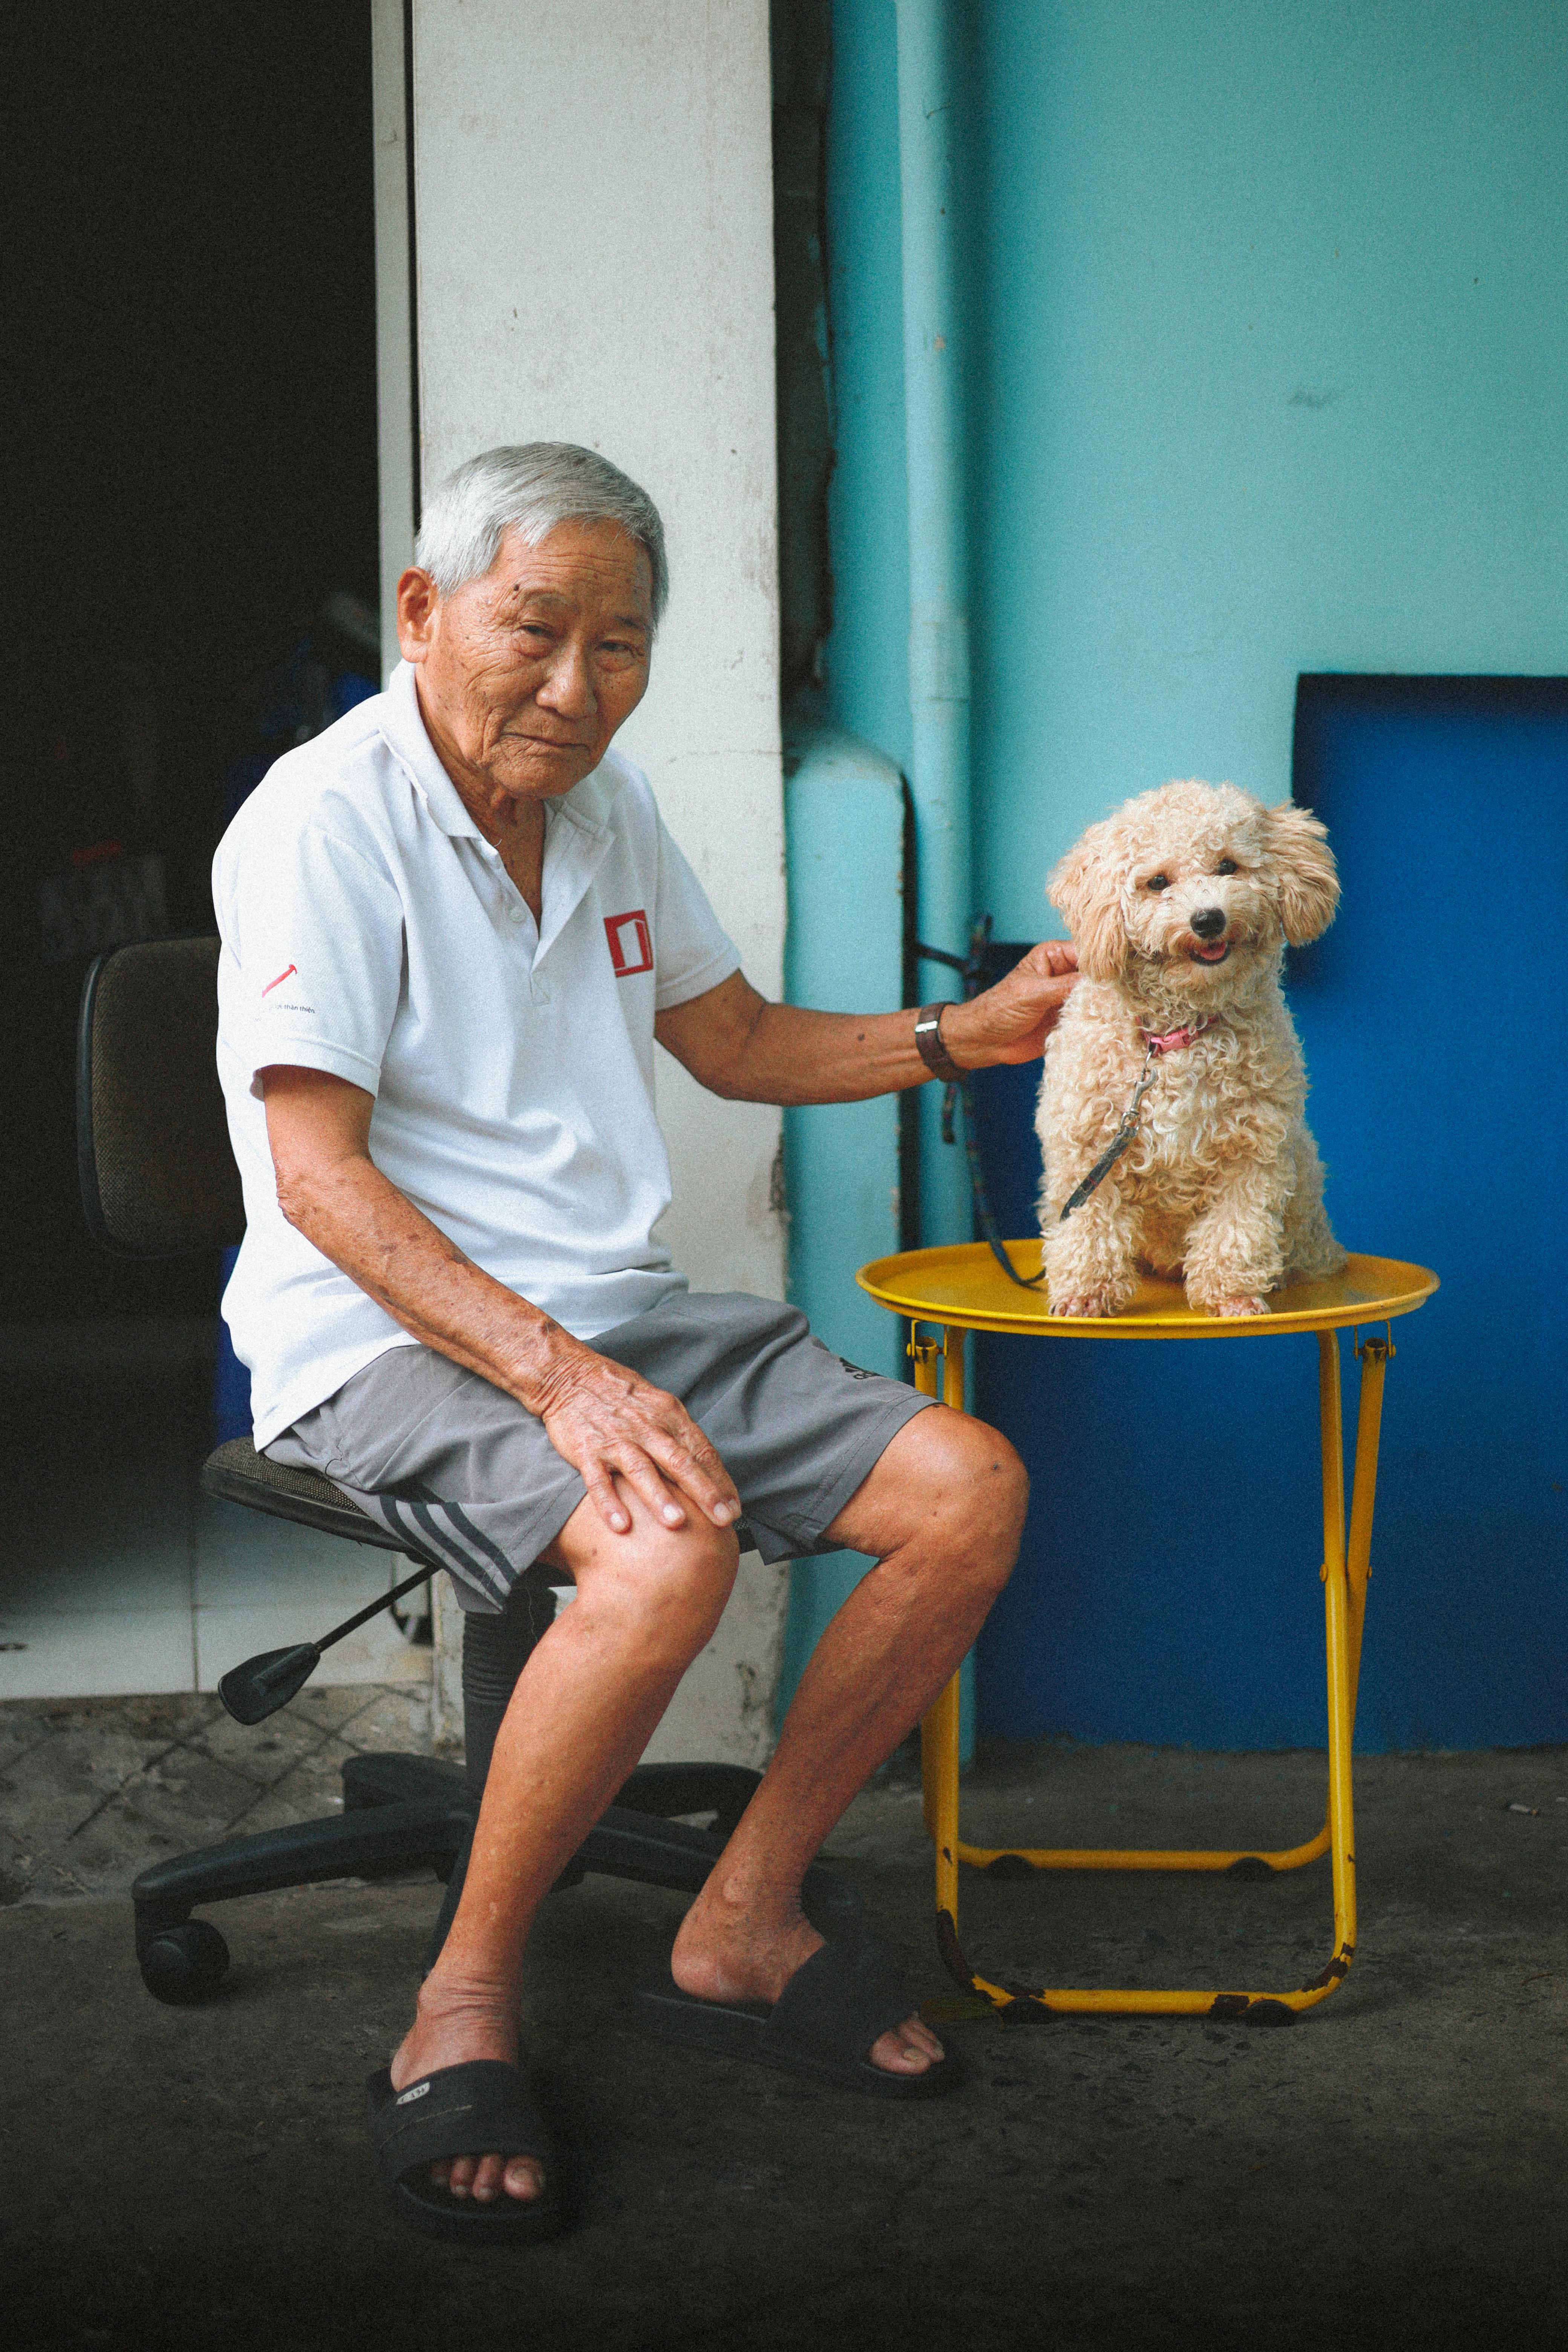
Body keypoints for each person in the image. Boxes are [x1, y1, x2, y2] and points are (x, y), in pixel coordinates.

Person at [213, 444, 1078, 2243]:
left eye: (619, 648)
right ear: (423, 611)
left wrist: (961, 1036)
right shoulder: (324, 819)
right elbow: (317, 1183)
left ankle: (742, 1918)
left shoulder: (608, 810)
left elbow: (737, 1037)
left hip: (611, 1313)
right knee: (663, 1543)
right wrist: (565, 1381)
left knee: (964, 1488)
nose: (571, 684)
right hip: (384, 1331)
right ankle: (456, 2005)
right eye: (534, 630)